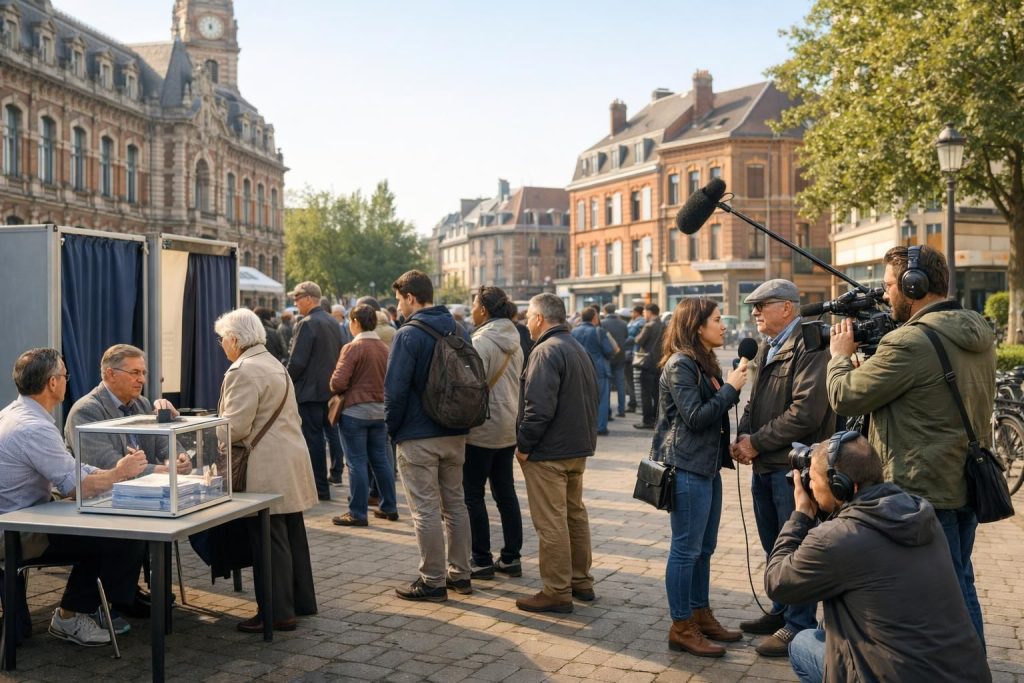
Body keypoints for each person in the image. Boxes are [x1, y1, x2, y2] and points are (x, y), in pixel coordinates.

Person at [826, 244, 996, 644]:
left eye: (889, 285)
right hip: (964, 480)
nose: (885, 295)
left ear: (913, 285)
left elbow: (845, 396)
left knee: (947, 590)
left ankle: (965, 668)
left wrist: (839, 357)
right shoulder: (977, 330)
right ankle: (968, 664)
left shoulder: (910, 343)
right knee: (959, 579)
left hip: (924, 489)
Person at [765, 433, 991, 682]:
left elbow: (777, 583)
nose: (810, 486)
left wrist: (801, 516)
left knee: (802, 643)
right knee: (829, 626)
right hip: (965, 673)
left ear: (839, 484)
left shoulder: (838, 538)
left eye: (813, 479)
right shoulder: (919, 512)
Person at [0, 348, 148, 647]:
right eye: (65, 376)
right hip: (17, 533)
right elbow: (77, 486)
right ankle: (71, 615)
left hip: (22, 517)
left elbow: (71, 468)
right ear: (53, 383)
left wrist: (111, 471)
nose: (68, 381)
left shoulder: (14, 413)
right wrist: (119, 473)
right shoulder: (35, 427)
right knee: (119, 536)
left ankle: (98, 606)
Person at [732, 278, 833, 657]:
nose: (755, 312)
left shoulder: (810, 345)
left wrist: (755, 442)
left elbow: (805, 413)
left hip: (791, 469)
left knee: (797, 549)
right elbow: (753, 402)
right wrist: (743, 436)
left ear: (787, 308)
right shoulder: (764, 346)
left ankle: (798, 624)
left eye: (762, 305)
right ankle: (781, 610)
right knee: (775, 545)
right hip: (764, 464)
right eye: (753, 306)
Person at [215, 308, 319, 633]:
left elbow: (235, 427)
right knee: (290, 532)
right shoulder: (274, 363)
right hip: (289, 456)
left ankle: (276, 613)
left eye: (222, 339)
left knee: (269, 539)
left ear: (234, 339)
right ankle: (299, 601)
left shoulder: (242, 370)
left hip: (266, 463)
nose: (221, 345)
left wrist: (211, 431)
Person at [653, 299, 747, 657]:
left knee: (704, 549)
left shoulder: (703, 362)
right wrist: (730, 389)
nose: (723, 326)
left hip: (707, 466)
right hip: (688, 467)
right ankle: (681, 626)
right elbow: (694, 416)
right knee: (686, 550)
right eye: (718, 320)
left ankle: (700, 612)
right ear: (697, 326)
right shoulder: (680, 365)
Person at [385, 270, 473, 602]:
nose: (398, 307)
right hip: (455, 431)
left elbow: (394, 392)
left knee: (424, 509)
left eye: (399, 300)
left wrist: (392, 430)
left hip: (418, 435)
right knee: (455, 504)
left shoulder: (408, 335)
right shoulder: (459, 328)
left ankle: (432, 580)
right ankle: (460, 575)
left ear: (411, 297)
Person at [515, 293, 597, 613]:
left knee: (552, 521)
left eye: (528, 317)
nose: (526, 323)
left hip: (550, 450)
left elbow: (538, 409)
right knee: (573, 515)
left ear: (539, 318)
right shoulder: (576, 346)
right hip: (576, 446)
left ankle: (557, 590)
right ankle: (580, 580)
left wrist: (524, 446)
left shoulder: (546, 350)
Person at [464, 286, 524, 579]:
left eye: (473, 305)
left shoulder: (481, 341)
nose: (471, 310)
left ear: (484, 310)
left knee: (473, 494)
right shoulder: (516, 338)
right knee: (505, 492)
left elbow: (472, 386)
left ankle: (481, 558)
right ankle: (512, 557)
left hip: (482, 427)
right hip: (508, 424)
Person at [65, 344, 190, 477]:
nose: (142, 380)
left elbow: (163, 443)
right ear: (111, 374)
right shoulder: (85, 411)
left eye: (143, 373)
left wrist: (179, 458)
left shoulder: (142, 403)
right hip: (104, 495)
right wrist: (164, 470)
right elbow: (106, 463)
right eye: (135, 372)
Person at [329, 304, 398, 526]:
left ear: (356, 322)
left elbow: (337, 382)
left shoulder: (352, 348)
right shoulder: (384, 348)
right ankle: (389, 506)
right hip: (380, 412)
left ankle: (357, 512)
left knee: (356, 462)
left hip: (355, 412)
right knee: (381, 460)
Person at [286, 281, 343, 501]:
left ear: (309, 298)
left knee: (313, 442)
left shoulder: (307, 323)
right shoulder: (332, 322)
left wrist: (285, 381)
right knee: (324, 439)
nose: (295, 303)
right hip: (328, 392)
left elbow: (297, 361)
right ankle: (321, 485)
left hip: (309, 393)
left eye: (297, 298)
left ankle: (318, 487)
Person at [571, 307, 616, 436]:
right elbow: (609, 350)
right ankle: (600, 427)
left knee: (582, 399)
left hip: (580, 369)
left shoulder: (574, 331)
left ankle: (583, 426)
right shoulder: (599, 331)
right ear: (594, 318)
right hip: (599, 370)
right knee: (601, 399)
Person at [633, 303, 665, 429]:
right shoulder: (663, 325)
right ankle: (657, 420)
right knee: (657, 394)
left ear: (650, 312)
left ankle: (647, 420)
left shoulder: (649, 326)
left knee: (645, 394)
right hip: (660, 363)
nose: (644, 315)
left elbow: (638, 340)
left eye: (644, 312)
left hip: (647, 363)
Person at [602, 304, 629, 419]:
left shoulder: (602, 323)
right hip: (620, 357)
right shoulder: (623, 324)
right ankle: (621, 410)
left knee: (607, 386)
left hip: (607, 357)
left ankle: (607, 412)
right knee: (620, 385)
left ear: (605, 311)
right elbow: (626, 337)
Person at [625, 304, 645, 413]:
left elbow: (635, 337)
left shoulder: (640, 322)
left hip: (634, 353)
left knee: (634, 381)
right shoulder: (632, 322)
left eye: (632, 311)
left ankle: (635, 403)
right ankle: (632, 402)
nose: (631, 314)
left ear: (637, 312)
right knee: (630, 380)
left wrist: (624, 339)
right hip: (629, 353)